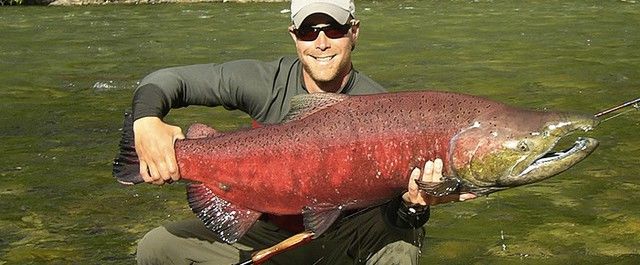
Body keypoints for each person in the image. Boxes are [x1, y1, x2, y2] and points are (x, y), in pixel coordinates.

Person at [131, 0, 475, 264]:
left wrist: (414, 207)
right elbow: (164, 80)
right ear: (295, 37)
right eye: (310, 31)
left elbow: (393, 218)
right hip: (267, 229)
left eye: (334, 29)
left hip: (345, 234)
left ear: (354, 32)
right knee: (156, 248)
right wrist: (146, 122)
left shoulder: (380, 107)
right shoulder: (264, 82)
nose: (321, 42)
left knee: (403, 249)